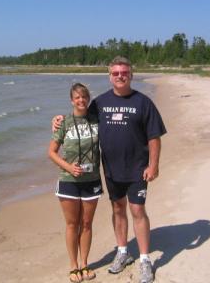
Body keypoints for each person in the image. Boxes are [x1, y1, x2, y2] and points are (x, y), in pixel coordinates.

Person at [53, 57, 166, 283]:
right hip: (111, 170)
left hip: (137, 169)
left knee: (137, 210)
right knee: (117, 209)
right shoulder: (100, 103)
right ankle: (122, 252)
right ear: (109, 76)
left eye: (124, 72)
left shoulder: (144, 102)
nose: (120, 76)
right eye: (115, 73)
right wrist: (57, 120)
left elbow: (154, 137)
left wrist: (153, 165)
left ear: (131, 75)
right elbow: (79, 114)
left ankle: (144, 259)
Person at [49, 82, 103, 283]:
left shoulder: (96, 120)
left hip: (92, 180)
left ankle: (85, 263)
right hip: (68, 180)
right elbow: (51, 152)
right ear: (72, 100)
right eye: (77, 97)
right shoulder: (64, 122)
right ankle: (73, 267)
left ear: (88, 99)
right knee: (72, 224)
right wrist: (69, 167)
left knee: (87, 224)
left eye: (84, 97)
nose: (81, 100)